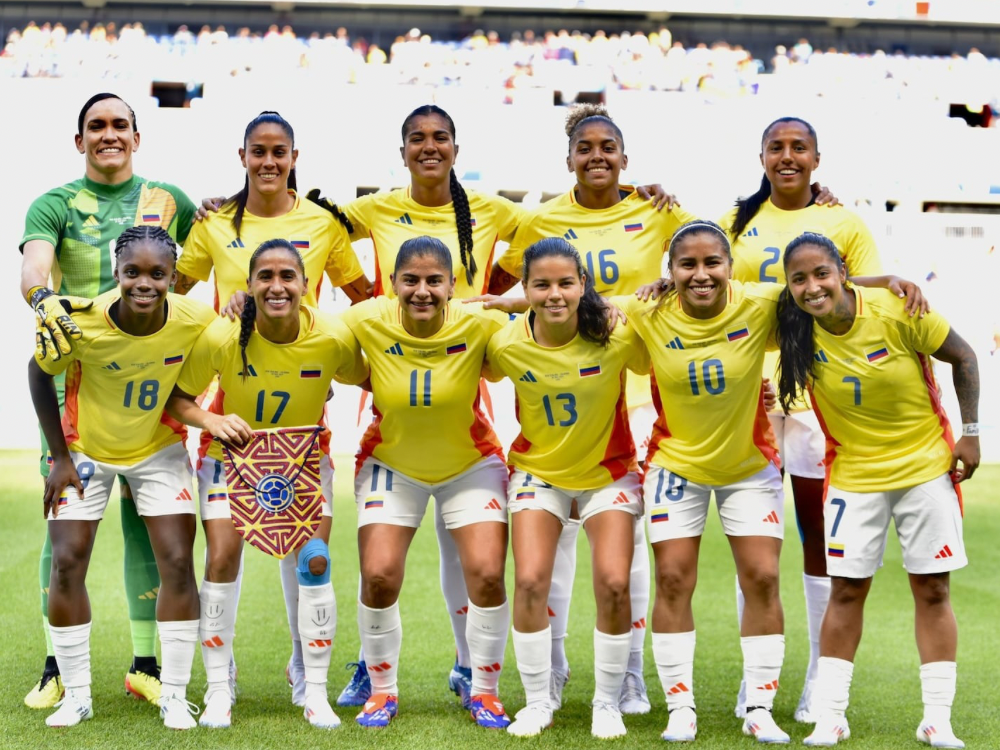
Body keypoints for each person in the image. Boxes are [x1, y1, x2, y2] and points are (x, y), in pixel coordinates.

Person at [616, 220, 920, 744]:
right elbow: (577, 301)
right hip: (675, 465)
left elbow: (823, 286)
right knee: (672, 580)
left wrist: (889, 278)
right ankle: (679, 707)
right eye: (687, 264)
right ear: (669, 272)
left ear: (731, 268)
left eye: (713, 262)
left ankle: (758, 707)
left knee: (761, 578)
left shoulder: (760, 301)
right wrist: (498, 305)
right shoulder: (648, 307)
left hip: (749, 468)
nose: (701, 273)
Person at [485, 103, 695, 715]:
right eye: (585, 149)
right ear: (569, 159)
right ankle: (549, 676)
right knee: (546, 568)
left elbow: (710, 257)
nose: (597, 157)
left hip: (630, 396)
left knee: (622, 569)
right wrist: (491, 310)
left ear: (625, 159)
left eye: (609, 149)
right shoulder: (544, 219)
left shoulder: (656, 209)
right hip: (560, 394)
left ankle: (627, 678)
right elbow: (506, 286)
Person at [174, 111, 370, 706]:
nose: (268, 161)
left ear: (294, 157)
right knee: (223, 553)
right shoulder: (212, 223)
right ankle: (219, 682)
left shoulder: (324, 227)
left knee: (308, 556)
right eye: (257, 152)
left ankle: (305, 675)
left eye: (278, 152)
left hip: (302, 440)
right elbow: (172, 296)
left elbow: (367, 301)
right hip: (233, 428)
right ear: (242, 157)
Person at [19, 92, 197, 710]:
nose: (109, 134)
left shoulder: (171, 200)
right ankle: (55, 666)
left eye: (120, 124)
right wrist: (42, 300)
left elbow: (198, 266)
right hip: (79, 383)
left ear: (137, 137)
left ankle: (145, 665)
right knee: (63, 527)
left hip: (150, 384)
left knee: (149, 531)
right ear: (80, 140)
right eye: (96, 126)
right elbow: (34, 267)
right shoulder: (54, 204)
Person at [774, 233, 979, 749]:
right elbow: (719, 291)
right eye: (798, 278)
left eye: (822, 273)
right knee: (845, 592)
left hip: (925, 472)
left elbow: (966, 357)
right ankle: (831, 717)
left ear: (842, 270)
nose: (812, 286)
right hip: (852, 479)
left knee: (933, 590)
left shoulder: (897, 308)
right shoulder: (792, 323)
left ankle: (936, 719)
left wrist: (971, 433)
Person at [722, 116, 883, 722]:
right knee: (756, 550)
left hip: (817, 400)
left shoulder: (844, 223)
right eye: (776, 148)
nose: (787, 157)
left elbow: (863, 297)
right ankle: (756, 680)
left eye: (799, 148)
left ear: (818, 158)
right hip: (751, 401)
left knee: (821, 541)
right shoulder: (738, 221)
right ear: (760, 156)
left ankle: (819, 680)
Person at [27, 226, 215, 730]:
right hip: (86, 450)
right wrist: (59, 455)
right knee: (66, 561)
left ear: (175, 278)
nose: (144, 283)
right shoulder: (81, 321)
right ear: (117, 272)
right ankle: (78, 695)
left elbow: (231, 350)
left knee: (177, 561)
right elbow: (38, 372)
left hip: (157, 449)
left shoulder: (197, 317)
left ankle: (175, 694)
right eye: (133, 272)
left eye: (158, 273)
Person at [337, 236, 512, 729]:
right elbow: (300, 325)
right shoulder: (366, 317)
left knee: (487, 575)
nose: (422, 291)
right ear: (392, 283)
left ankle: (483, 691)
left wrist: (516, 300)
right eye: (410, 280)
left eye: (434, 280)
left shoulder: (479, 323)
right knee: (378, 575)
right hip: (392, 464)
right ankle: (382, 692)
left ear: (452, 285)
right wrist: (242, 303)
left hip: (469, 465)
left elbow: (546, 323)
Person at [483, 238, 649, 739]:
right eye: (541, 285)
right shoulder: (506, 343)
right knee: (531, 580)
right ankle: (538, 700)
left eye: (565, 283)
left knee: (615, 583)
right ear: (526, 289)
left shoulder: (617, 336)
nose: (555, 294)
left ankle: (608, 701)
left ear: (583, 285)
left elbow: (660, 357)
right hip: (539, 473)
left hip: (609, 473)